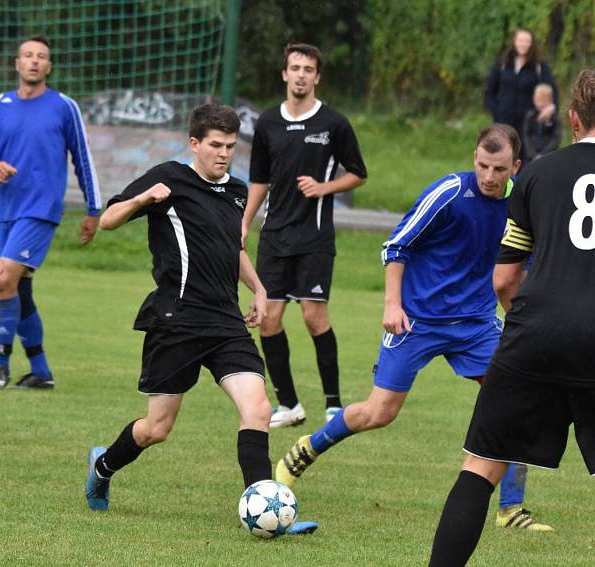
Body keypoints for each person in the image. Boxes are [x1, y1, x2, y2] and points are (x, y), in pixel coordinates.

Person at [275, 124, 552, 531]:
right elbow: (396, 246)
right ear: (473, 158)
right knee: (379, 412)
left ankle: (511, 509)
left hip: (475, 323)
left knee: (514, 398)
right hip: (416, 320)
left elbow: (521, 268)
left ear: (517, 166)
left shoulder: (523, 202)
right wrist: (392, 304)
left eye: (499, 168)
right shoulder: (450, 194)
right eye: (482, 166)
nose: (489, 177)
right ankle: (306, 449)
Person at [83, 104, 315, 535]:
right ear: (195, 144)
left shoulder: (239, 191)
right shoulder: (168, 178)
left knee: (259, 408)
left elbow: (234, 247)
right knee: (157, 427)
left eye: (230, 146)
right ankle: (103, 466)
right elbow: (109, 220)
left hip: (226, 321)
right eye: (215, 146)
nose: (223, 154)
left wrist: (260, 290)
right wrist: (141, 199)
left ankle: (264, 507)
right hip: (177, 319)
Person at [429, 69, 595, 567]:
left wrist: (530, 323)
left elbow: (504, 279)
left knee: (481, 466)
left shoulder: (537, 174)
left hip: (533, 332)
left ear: (571, 118)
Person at [242, 43, 367, 428]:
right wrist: (244, 222)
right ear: (284, 74)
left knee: (315, 318)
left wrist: (323, 188)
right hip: (275, 237)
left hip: (313, 238)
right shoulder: (266, 123)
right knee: (268, 319)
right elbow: (259, 180)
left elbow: (358, 173)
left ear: (317, 77)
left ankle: (333, 404)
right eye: (294, 67)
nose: (300, 74)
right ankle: (289, 405)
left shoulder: (333, 124)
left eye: (308, 69)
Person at [0, 35, 101, 390]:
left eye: (41, 57)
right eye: (27, 55)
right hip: (7, 211)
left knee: (3, 279)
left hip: (42, 210)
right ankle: (41, 371)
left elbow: (83, 159)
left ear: (49, 66)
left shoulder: (64, 107)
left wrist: (93, 210)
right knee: (19, 288)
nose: (33, 61)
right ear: (17, 64)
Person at [485, 27, 558, 159]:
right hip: (504, 121)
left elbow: (552, 90)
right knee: (503, 155)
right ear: (514, 41)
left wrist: (550, 109)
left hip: (528, 124)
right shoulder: (502, 64)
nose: (523, 44)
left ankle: (523, 180)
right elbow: (489, 91)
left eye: (527, 41)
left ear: (532, 43)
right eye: (520, 40)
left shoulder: (539, 66)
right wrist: (496, 111)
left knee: (526, 159)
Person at [522, 83, 562, 161]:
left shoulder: (554, 118)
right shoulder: (530, 116)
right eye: (537, 100)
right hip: (532, 155)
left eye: (543, 101)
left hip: (549, 155)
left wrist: (544, 153)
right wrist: (531, 153)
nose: (540, 103)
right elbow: (527, 135)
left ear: (550, 100)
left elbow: (556, 137)